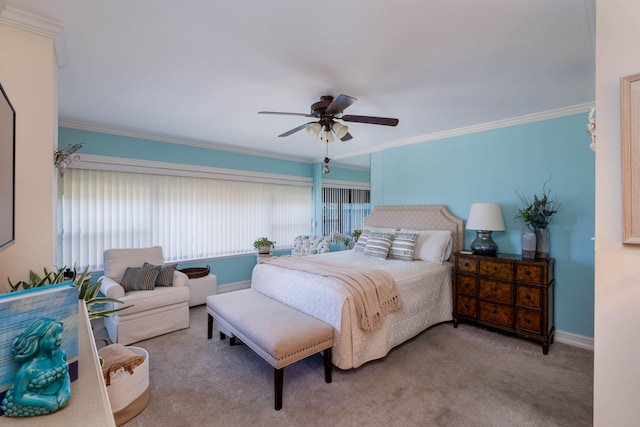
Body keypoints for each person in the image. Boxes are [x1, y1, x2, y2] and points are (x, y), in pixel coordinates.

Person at [1, 318, 71, 417]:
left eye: (60, 332)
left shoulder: (60, 355)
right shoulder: (27, 370)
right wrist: (45, 401)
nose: (59, 337)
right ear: (37, 340)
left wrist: (65, 390)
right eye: (53, 335)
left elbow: (64, 374)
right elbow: (18, 397)